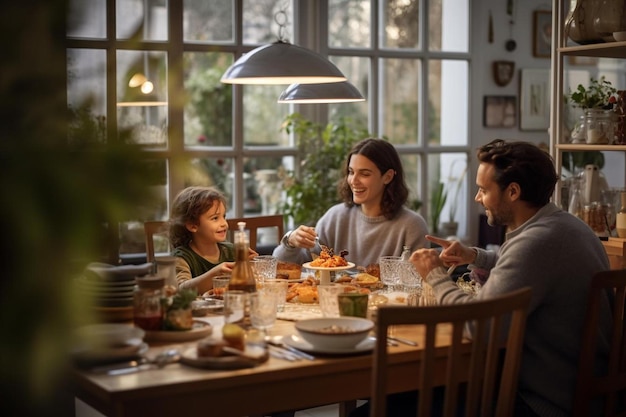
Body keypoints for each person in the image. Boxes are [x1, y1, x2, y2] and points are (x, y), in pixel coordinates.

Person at [398, 139, 610, 417]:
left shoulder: (535, 243)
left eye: (484, 190)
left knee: (410, 397)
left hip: (544, 403)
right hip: (588, 391)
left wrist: (435, 275)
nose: (477, 197)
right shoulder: (567, 225)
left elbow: (478, 326)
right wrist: (474, 256)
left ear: (513, 191)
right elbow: (528, 269)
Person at [273, 137, 428, 267]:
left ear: (387, 177)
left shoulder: (411, 226)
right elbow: (281, 266)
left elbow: (416, 282)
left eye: (365, 174)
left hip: (388, 303)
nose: (353, 181)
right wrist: (290, 242)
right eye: (351, 172)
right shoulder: (335, 217)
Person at [169, 186, 258, 295]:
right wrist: (216, 273)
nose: (224, 223)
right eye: (215, 218)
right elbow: (182, 290)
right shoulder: (182, 257)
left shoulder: (230, 251)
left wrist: (251, 265)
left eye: (224, 216)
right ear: (192, 225)